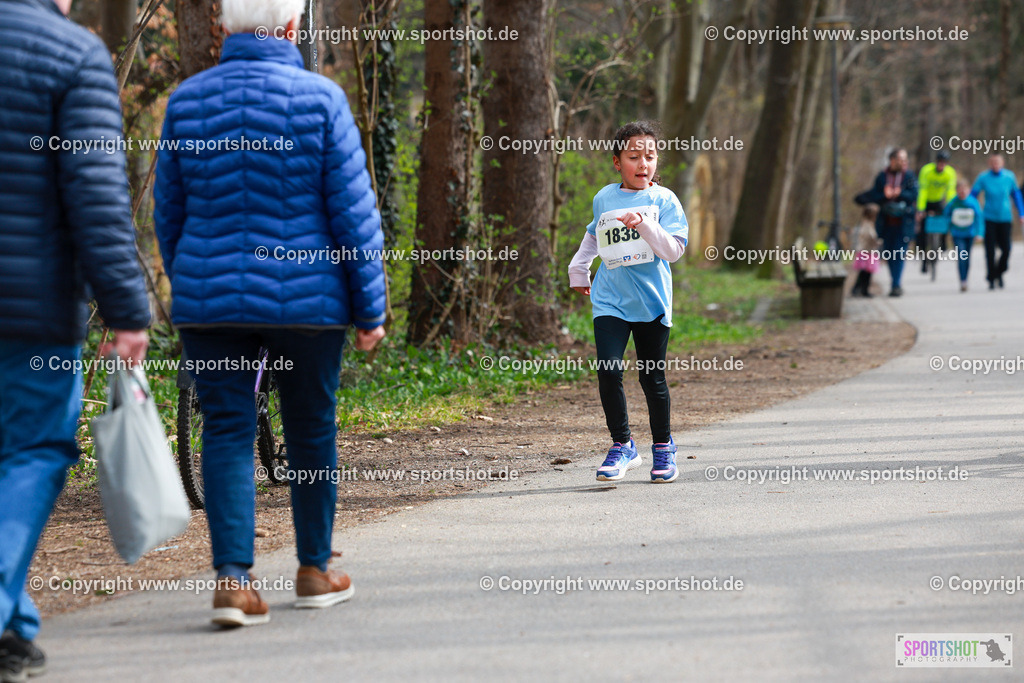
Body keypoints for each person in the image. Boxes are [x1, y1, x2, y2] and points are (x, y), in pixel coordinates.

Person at [154, 0, 386, 628]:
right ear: (292, 28)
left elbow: (168, 215)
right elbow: (353, 218)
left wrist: (194, 286)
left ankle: (234, 581)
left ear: (223, 27)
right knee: (311, 428)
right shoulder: (321, 99)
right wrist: (370, 308)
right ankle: (313, 571)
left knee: (225, 429)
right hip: (309, 304)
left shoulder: (188, 102)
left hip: (212, 304)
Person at [0, 0, 151, 678]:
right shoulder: (70, 54)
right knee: (32, 449)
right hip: (28, 313)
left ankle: (13, 626)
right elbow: (94, 193)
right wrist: (127, 309)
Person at [568, 121, 688, 484]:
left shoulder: (664, 200)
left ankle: (664, 448)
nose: (643, 163)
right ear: (617, 161)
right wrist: (578, 267)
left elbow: (675, 250)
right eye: (634, 156)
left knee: (651, 378)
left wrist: (645, 226)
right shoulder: (605, 197)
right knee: (608, 370)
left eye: (649, 156)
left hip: (651, 303)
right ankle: (622, 445)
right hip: (610, 300)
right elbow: (594, 236)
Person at [855, 148, 917, 297]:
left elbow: (914, 194)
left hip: (904, 223)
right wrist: (885, 194)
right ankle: (894, 281)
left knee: (900, 253)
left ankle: (896, 285)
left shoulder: (909, 176)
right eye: (901, 159)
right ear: (892, 160)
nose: (904, 162)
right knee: (889, 254)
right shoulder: (882, 177)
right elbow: (873, 195)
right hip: (885, 223)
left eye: (905, 159)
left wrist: (899, 193)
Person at [970, 153, 1024, 289]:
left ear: (1002, 163)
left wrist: (1021, 213)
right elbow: (973, 195)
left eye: (998, 162)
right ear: (990, 164)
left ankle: (999, 272)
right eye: (993, 162)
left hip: (1005, 217)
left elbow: (1016, 195)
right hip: (988, 218)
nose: (995, 165)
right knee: (990, 251)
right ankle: (991, 278)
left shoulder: (1009, 177)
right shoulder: (983, 177)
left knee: (1006, 249)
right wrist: (971, 210)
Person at [915, 150, 956, 269]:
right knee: (923, 230)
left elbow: (950, 191)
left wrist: (951, 207)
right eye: (940, 162)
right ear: (936, 162)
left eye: (944, 163)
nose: (942, 165)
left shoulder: (950, 173)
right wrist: (920, 209)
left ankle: (942, 244)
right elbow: (922, 190)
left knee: (944, 223)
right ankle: (923, 258)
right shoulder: (926, 171)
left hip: (938, 201)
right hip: (926, 201)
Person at [944, 179, 985, 292]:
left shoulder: (973, 202)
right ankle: (962, 280)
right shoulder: (953, 203)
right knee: (962, 257)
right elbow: (946, 216)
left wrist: (979, 233)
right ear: (956, 190)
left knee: (967, 258)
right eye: (960, 189)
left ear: (968, 190)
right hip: (957, 234)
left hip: (970, 234)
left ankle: (965, 278)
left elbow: (979, 218)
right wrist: (949, 226)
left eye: (964, 189)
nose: (962, 192)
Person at [850, 205, 882, 298]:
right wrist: (878, 241)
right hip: (867, 251)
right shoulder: (867, 224)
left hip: (868, 251)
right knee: (865, 273)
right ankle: (860, 289)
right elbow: (870, 236)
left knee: (865, 272)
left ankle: (861, 289)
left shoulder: (865, 224)